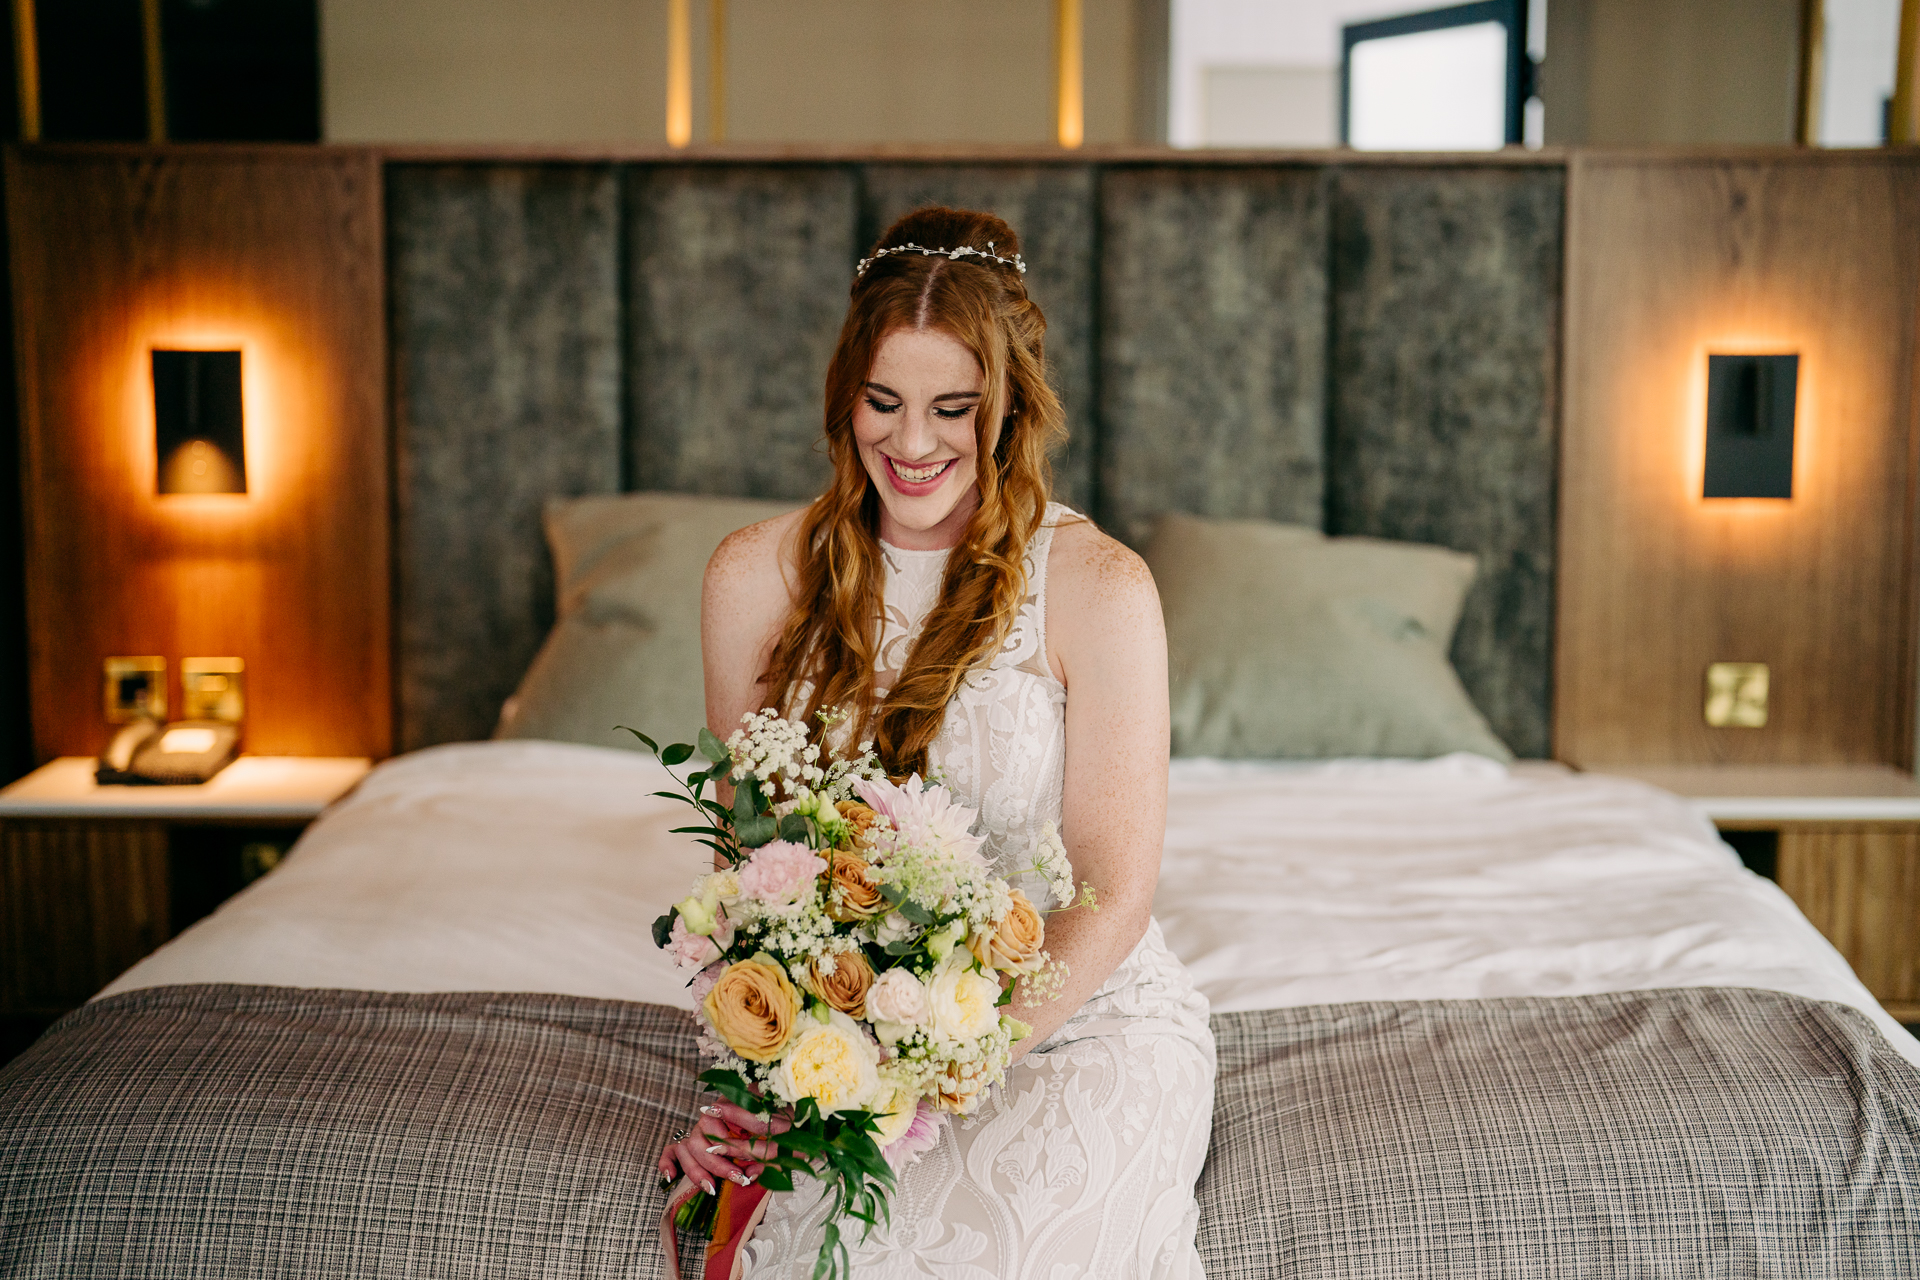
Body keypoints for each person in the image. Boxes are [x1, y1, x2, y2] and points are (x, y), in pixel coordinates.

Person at [658, 206, 1216, 1278]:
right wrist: (765, 1074)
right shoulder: (751, 578)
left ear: (1010, 406)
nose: (912, 445)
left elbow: (1109, 887)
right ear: (843, 396)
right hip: (847, 1044)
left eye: (953, 408)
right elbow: (753, 869)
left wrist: (933, 1063)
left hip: (1078, 1022)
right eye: (883, 401)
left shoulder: (1099, 588)